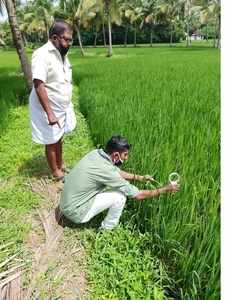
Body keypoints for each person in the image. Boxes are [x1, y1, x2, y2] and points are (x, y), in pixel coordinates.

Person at [59, 135, 180, 230]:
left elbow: (116, 172)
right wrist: (165, 189)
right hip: (75, 212)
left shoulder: (96, 154)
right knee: (120, 196)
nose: (126, 158)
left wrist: (140, 178)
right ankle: (107, 230)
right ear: (116, 155)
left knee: (108, 187)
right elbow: (138, 195)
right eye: (125, 155)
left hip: (65, 203)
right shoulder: (106, 172)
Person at [29, 20, 76, 181]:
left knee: (59, 137)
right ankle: (56, 172)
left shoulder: (62, 54)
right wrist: (49, 113)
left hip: (61, 106)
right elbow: (39, 84)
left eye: (71, 40)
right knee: (50, 139)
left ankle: (60, 164)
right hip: (47, 107)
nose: (69, 43)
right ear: (55, 37)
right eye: (66, 39)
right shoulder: (42, 54)